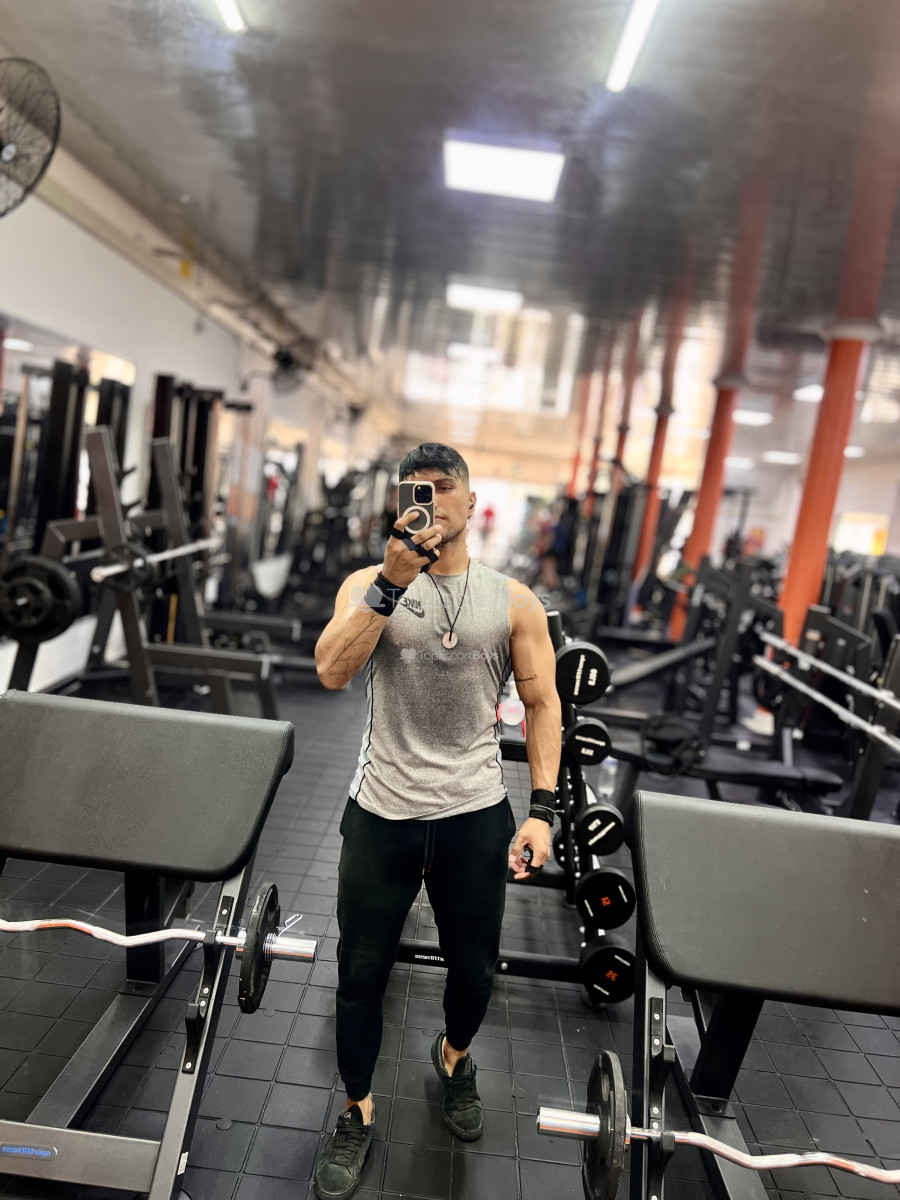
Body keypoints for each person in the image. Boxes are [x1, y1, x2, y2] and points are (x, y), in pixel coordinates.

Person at [312, 442, 562, 1200]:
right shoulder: (368, 583)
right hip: (381, 812)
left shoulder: (512, 600)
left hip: (473, 815)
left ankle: (453, 1057)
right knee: (360, 972)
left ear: (471, 501)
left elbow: (543, 702)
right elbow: (330, 672)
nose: (430, 502)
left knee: (475, 969)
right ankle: (356, 1108)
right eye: (415, 490)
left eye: (443, 487)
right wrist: (391, 582)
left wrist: (542, 812)